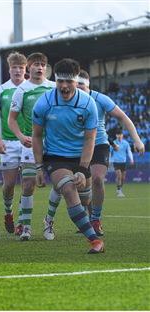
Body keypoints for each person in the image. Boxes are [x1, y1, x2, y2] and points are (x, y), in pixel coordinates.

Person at [42, 70, 145, 239]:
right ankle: (49, 219)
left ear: (88, 85)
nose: (79, 87)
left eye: (82, 84)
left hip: (98, 144)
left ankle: (95, 219)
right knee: (64, 186)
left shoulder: (100, 99)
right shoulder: (65, 99)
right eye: (78, 84)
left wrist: (137, 140)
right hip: (74, 148)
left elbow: (123, 117)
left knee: (97, 179)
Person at [32, 58, 104, 254]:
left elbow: (90, 140)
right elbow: (37, 135)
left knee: (85, 199)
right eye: (60, 81)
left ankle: (49, 218)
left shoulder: (88, 104)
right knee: (68, 189)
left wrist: (82, 169)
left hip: (80, 157)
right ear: (54, 80)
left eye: (69, 81)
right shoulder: (44, 102)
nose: (64, 86)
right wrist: (38, 167)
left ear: (76, 80)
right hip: (55, 157)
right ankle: (95, 241)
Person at [8, 52, 55, 240]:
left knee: (59, 185)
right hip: (30, 143)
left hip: (54, 143)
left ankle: (48, 221)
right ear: (29, 67)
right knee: (28, 184)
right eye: (36, 64)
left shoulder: (53, 88)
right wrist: (20, 136)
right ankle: (25, 227)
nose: (40, 67)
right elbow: (11, 119)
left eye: (43, 64)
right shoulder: (22, 90)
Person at [0, 52, 27, 233]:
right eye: (14, 67)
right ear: (9, 69)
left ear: (25, 69)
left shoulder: (32, 88)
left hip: (29, 142)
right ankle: (8, 212)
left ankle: (22, 221)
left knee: (28, 183)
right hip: (9, 143)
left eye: (21, 67)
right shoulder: (0, 91)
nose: (18, 71)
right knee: (9, 184)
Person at [111, 128, 135, 197]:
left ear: (122, 135)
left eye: (120, 134)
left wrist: (131, 159)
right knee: (119, 176)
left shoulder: (126, 143)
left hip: (123, 162)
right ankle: (119, 190)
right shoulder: (113, 143)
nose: (119, 136)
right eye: (118, 134)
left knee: (123, 178)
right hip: (116, 162)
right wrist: (108, 159)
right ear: (116, 135)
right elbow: (109, 151)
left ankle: (120, 188)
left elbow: (129, 151)